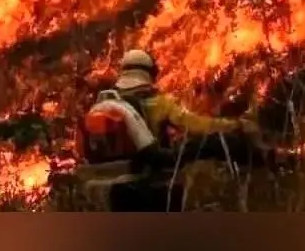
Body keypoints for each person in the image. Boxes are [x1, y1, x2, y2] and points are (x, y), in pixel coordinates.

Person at [74, 49, 262, 211]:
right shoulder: (158, 102)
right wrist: (235, 125)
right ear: (149, 72)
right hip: (151, 174)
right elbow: (197, 126)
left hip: (112, 185)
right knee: (215, 143)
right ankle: (268, 164)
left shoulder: (104, 103)